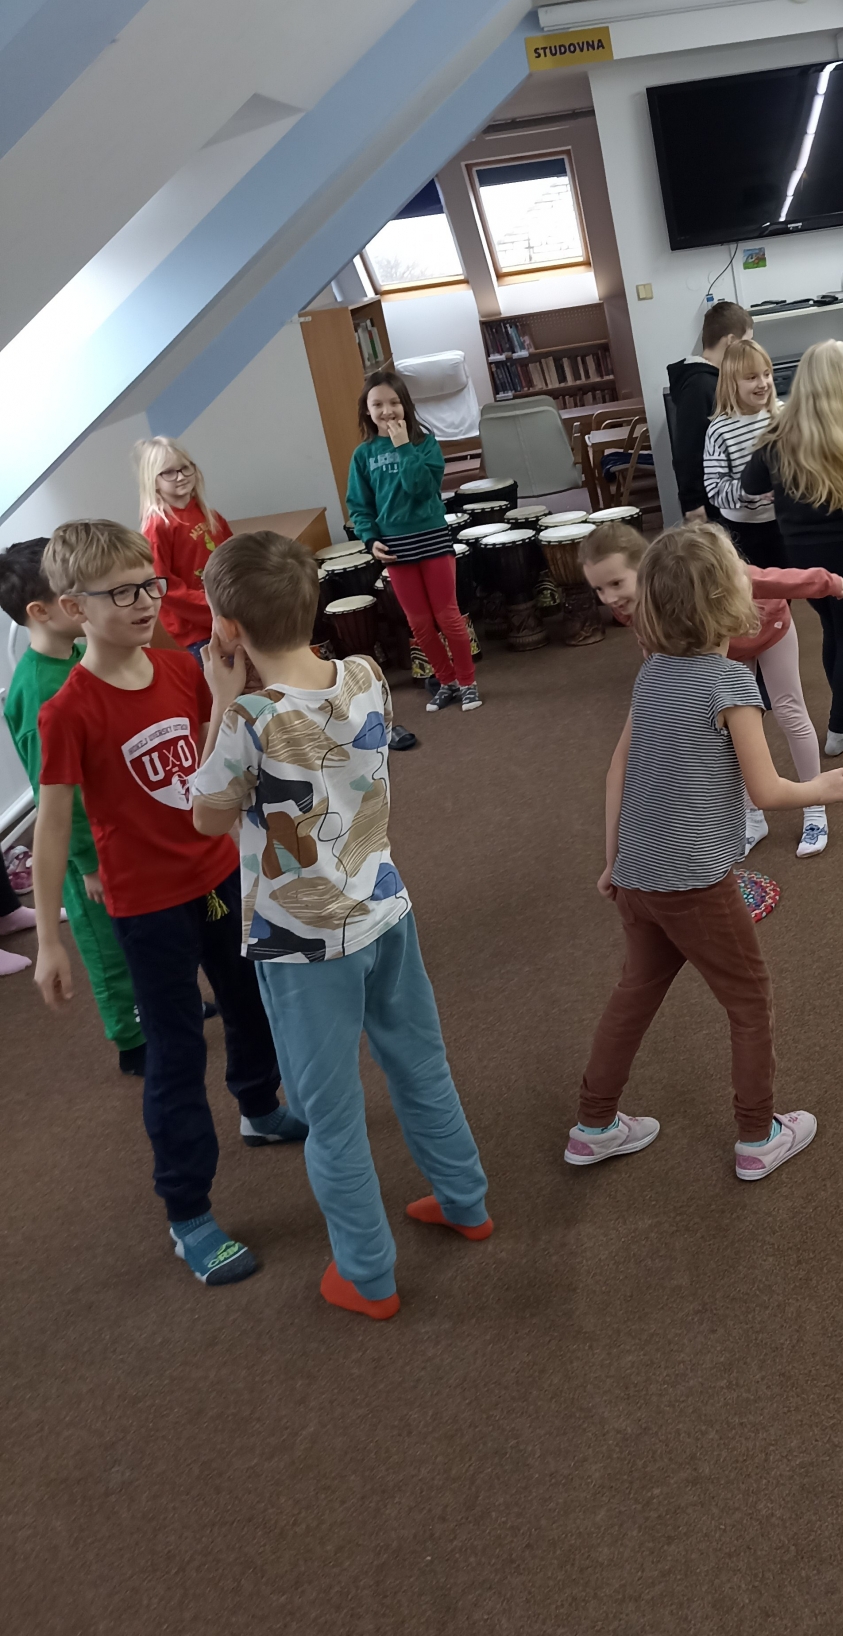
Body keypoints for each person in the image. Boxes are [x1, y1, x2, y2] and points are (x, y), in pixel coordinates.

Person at [188, 532, 491, 1322]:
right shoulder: (363, 675)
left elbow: (205, 816)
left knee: (331, 1114)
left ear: (227, 628)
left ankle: (366, 1274)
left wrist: (220, 698)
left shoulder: (249, 717)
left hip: (302, 942)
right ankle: (465, 1200)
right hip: (384, 908)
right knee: (421, 1065)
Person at [32, 520, 305, 1289]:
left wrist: (221, 697)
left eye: (148, 584)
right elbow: (52, 826)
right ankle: (188, 1215)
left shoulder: (179, 669)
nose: (145, 601)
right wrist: (49, 938)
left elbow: (208, 771)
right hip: (147, 906)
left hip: (217, 874)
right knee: (178, 1055)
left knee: (251, 1003)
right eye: (121, 593)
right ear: (74, 607)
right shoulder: (67, 710)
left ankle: (259, 1108)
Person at [567, 524, 843, 1181]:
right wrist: (819, 790)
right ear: (732, 599)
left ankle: (593, 1125)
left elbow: (616, 774)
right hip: (695, 884)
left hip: (638, 877)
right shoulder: (729, 684)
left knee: (634, 993)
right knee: (749, 1001)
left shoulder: (651, 676)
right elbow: (766, 790)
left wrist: (613, 862)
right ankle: (758, 1136)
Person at [580, 522, 843, 859]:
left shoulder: (716, 573)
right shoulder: (644, 604)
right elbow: (655, 648)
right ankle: (753, 816)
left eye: (615, 583)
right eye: (599, 589)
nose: (609, 598)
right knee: (732, 732)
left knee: (788, 710)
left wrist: (830, 583)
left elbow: (778, 579)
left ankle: (814, 808)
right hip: (721, 648)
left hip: (768, 628)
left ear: (643, 567)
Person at [0, 539, 147, 1069]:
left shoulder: (80, 655)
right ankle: (131, 1040)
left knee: (140, 933)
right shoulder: (39, 690)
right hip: (84, 847)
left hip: (118, 828)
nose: (84, 601)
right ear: (41, 611)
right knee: (107, 944)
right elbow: (54, 796)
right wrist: (86, 862)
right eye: (71, 594)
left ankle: (154, 1006)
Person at [741, 340, 843, 758]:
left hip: (798, 557)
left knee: (832, 627)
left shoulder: (781, 434)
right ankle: (838, 730)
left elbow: (750, 484)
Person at [346, 370, 479, 712]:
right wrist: (369, 539)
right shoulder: (362, 455)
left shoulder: (425, 443)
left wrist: (403, 446)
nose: (386, 410)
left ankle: (467, 682)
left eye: (394, 402)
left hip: (432, 538)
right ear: (366, 410)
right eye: (377, 404)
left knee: (447, 615)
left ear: (405, 405)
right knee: (418, 622)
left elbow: (421, 489)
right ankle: (446, 681)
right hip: (396, 547)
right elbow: (360, 506)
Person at [133, 437, 232, 657]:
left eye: (185, 468)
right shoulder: (157, 526)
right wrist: (213, 606)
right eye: (168, 472)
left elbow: (233, 557)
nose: (180, 476)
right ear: (153, 480)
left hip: (227, 613)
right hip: (198, 630)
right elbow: (163, 587)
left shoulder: (208, 514)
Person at [666, 302, 755, 523]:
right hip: (709, 504)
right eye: (747, 342)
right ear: (731, 341)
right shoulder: (700, 386)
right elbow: (689, 449)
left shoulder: (714, 380)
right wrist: (693, 503)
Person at [702, 335, 785, 568]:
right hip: (742, 530)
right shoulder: (720, 430)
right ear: (732, 383)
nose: (763, 383)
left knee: (786, 582)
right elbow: (715, 490)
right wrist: (752, 491)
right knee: (752, 586)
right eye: (751, 377)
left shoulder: (782, 415)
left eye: (766, 374)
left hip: (783, 521)